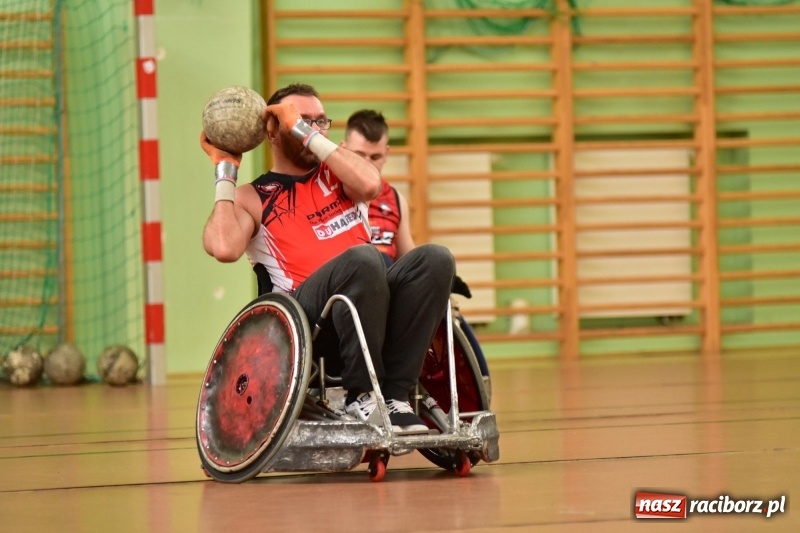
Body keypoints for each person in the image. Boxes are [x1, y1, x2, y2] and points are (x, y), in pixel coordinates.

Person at [201, 83, 455, 434]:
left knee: (436, 258)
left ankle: (395, 398)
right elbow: (224, 247)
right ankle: (361, 396)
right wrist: (225, 171)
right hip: (310, 327)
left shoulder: (340, 175)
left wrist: (305, 131)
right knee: (364, 260)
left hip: (374, 310)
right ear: (273, 131)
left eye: (321, 121)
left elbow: (370, 185)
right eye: (302, 120)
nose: (315, 128)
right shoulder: (253, 197)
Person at [341, 109, 490, 380]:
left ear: (386, 154)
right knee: (372, 259)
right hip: (354, 290)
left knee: (441, 286)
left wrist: (440, 282)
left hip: (390, 289)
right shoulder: (328, 193)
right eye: (359, 155)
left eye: (375, 157)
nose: (367, 164)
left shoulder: (394, 198)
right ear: (342, 149)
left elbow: (407, 253)